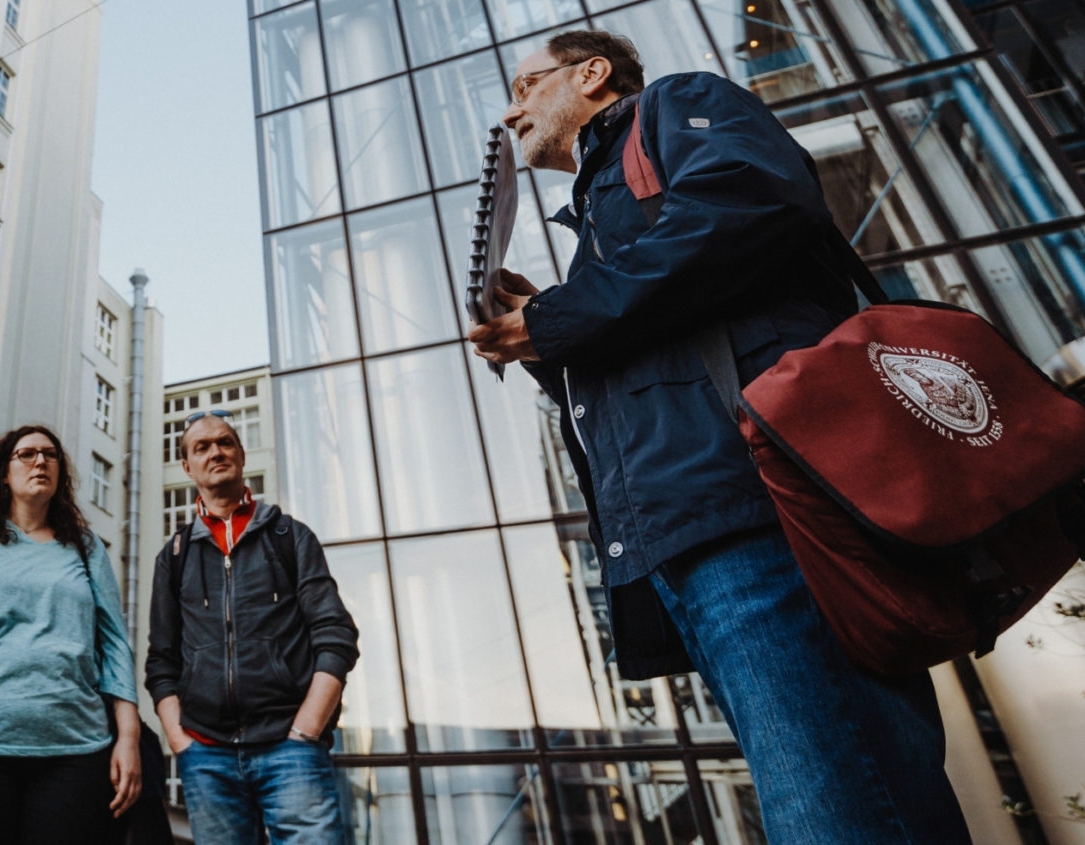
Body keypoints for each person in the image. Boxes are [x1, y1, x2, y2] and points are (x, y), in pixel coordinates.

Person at [468, 30, 973, 844]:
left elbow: (755, 201)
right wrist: (545, 335)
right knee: (853, 789)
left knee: (835, 803)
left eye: (526, 86)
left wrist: (560, 315)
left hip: (757, 511)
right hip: (701, 531)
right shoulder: (603, 207)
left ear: (591, 75)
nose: (512, 107)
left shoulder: (680, 105)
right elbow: (656, 358)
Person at [0, 424, 142, 845]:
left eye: (50, 455)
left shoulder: (86, 547)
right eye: (28, 454)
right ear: (3, 472)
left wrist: (128, 739)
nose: (40, 461)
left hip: (77, 753)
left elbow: (115, 646)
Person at [144, 411, 360, 845]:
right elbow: (161, 662)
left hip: (290, 748)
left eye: (225, 442)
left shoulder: (290, 537)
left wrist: (306, 730)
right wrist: (180, 740)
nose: (215, 452)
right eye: (201, 447)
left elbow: (335, 636)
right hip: (206, 756)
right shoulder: (175, 555)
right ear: (186, 467)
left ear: (241, 455)